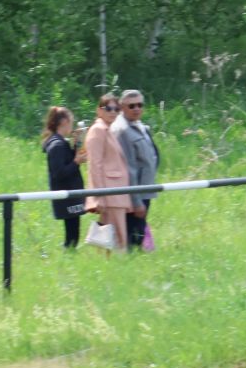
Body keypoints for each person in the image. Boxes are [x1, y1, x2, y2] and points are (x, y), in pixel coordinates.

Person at [82, 94, 131, 252]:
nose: (113, 112)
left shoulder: (108, 130)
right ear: (99, 110)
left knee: (115, 237)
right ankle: (113, 266)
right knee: (113, 238)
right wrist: (99, 196)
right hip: (109, 194)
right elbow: (95, 165)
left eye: (116, 109)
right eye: (108, 108)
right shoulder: (97, 130)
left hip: (117, 193)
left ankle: (113, 266)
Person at [114, 89, 160, 250]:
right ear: (122, 107)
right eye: (131, 106)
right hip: (136, 191)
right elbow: (129, 168)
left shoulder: (141, 126)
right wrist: (136, 201)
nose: (136, 109)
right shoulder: (122, 130)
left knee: (139, 232)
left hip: (146, 187)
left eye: (140, 105)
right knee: (134, 236)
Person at [41, 106, 86, 248]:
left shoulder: (61, 143)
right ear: (64, 122)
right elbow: (59, 173)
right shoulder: (57, 145)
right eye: (71, 122)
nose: (71, 126)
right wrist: (76, 162)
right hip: (67, 195)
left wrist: (76, 144)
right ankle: (68, 256)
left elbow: (68, 162)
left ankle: (70, 256)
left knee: (73, 233)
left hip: (70, 194)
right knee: (72, 237)